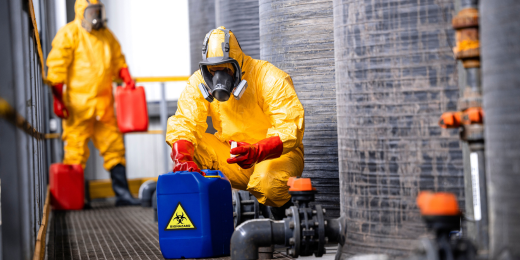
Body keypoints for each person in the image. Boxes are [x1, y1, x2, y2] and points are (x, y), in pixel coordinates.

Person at [166, 27, 305, 219]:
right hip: (235, 156)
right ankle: (209, 217)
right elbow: (184, 122)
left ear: (237, 62)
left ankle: (280, 211)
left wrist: (257, 151)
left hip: (274, 155)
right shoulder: (199, 82)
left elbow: (290, 128)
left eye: (225, 70)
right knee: (191, 151)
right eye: (213, 71)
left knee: (268, 183)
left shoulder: (268, 77)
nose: (218, 78)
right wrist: (182, 158)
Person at [46, 0, 139, 206]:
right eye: (92, 12)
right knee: (75, 151)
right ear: (81, 13)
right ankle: (77, 198)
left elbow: (118, 60)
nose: (96, 16)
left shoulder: (107, 36)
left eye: (98, 11)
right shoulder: (69, 34)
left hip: (104, 106)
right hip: (77, 108)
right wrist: (58, 99)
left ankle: (122, 195)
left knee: (114, 147)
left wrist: (126, 77)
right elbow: (57, 68)